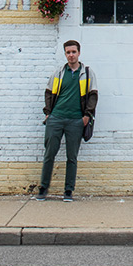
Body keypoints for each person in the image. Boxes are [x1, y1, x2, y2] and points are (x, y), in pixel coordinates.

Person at [37, 39, 98, 201]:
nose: (71, 55)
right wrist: (48, 113)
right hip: (56, 118)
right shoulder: (59, 72)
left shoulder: (87, 72)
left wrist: (87, 116)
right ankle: (43, 188)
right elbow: (49, 93)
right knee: (49, 154)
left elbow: (93, 96)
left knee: (72, 157)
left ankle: (68, 191)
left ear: (79, 53)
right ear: (65, 54)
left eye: (73, 52)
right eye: (68, 52)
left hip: (76, 121)